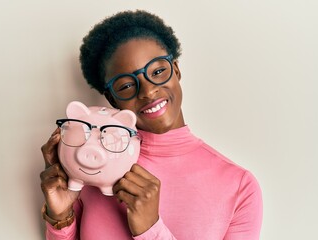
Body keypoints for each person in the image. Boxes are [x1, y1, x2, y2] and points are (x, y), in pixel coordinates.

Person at [40, 10, 263, 240]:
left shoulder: (240, 187)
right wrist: (60, 216)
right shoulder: (88, 166)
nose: (148, 91)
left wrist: (150, 229)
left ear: (176, 70)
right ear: (112, 99)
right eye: (126, 85)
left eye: (158, 71)